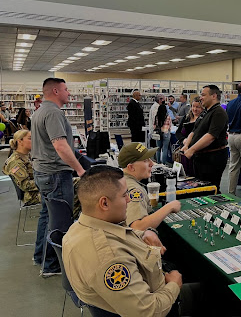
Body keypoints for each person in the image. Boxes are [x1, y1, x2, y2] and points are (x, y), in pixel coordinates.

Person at [62, 165, 185, 316]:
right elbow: (148, 312)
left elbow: (119, 235)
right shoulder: (110, 258)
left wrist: (143, 233)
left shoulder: (78, 229)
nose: (128, 200)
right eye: (124, 195)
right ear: (104, 203)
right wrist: (174, 284)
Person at [32, 77, 86, 278]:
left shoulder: (40, 112)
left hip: (43, 172)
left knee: (47, 216)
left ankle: (41, 256)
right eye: (65, 89)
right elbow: (60, 145)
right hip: (55, 173)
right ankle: (52, 265)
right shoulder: (53, 113)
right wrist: (80, 170)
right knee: (61, 221)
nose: (68, 93)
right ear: (55, 91)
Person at [119, 142, 181, 230]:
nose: (152, 163)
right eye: (145, 160)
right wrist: (170, 207)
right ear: (131, 167)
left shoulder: (123, 180)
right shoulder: (134, 189)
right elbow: (137, 227)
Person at [182, 85, 229, 191]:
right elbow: (194, 131)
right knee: (200, 188)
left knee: (210, 189)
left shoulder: (219, 112)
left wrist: (192, 150)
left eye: (203, 95)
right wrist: (186, 146)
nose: (201, 98)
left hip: (212, 158)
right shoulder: (205, 112)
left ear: (214, 96)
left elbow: (211, 136)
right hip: (200, 158)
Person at [2, 130, 40, 205]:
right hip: (32, 195)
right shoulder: (15, 162)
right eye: (30, 138)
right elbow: (25, 185)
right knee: (60, 192)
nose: (34, 141)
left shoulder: (26, 155)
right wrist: (46, 182)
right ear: (20, 141)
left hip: (38, 188)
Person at [176, 97, 203, 176]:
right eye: (193, 106)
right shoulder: (186, 118)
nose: (194, 109)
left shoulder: (203, 119)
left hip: (197, 152)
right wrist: (183, 140)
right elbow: (178, 132)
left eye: (197, 107)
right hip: (184, 151)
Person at [153, 96, 169, 163]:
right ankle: (164, 163)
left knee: (158, 149)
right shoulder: (167, 117)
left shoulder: (157, 117)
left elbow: (154, 125)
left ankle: (158, 162)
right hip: (166, 133)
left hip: (158, 133)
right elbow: (169, 126)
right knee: (165, 148)